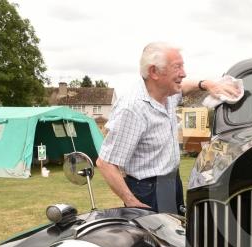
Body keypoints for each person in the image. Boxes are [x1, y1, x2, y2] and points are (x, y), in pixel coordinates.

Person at [96, 42, 239, 213]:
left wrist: (207, 84)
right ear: (154, 72)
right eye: (177, 67)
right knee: (155, 238)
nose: (183, 73)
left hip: (171, 183)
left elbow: (184, 87)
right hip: (147, 191)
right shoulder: (133, 108)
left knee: (177, 233)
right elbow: (106, 163)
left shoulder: (167, 93)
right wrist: (131, 201)